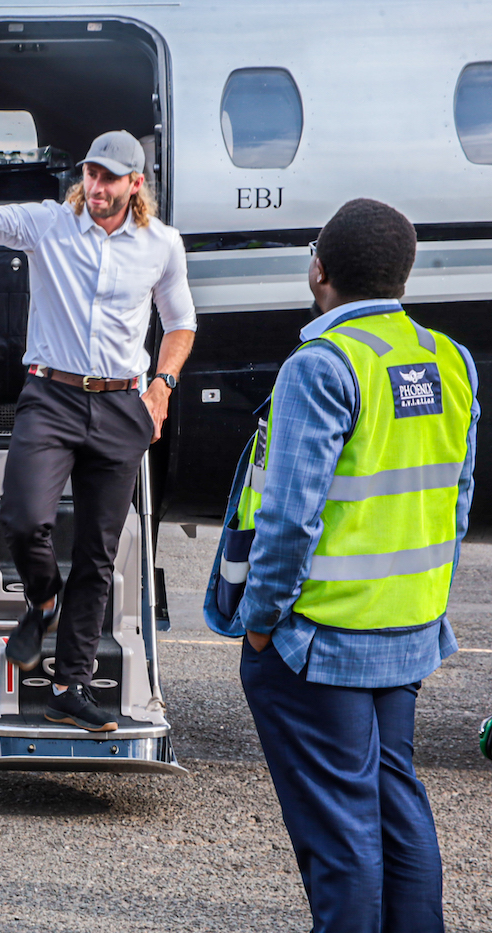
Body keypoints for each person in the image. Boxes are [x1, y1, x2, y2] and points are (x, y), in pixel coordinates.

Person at [204, 198, 477, 933]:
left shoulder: (320, 366)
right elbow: (458, 500)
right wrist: (421, 604)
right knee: (397, 805)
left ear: (318, 269)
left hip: (319, 642)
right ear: (403, 276)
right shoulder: (449, 361)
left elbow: (291, 518)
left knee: (342, 836)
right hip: (407, 629)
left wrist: (260, 624)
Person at [0, 121, 196, 732]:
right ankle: (42, 601)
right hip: (52, 396)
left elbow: (180, 322)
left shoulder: (162, 245)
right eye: (90, 173)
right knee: (23, 518)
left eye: (107, 177)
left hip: (124, 407)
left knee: (100, 554)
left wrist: (163, 384)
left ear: (135, 183)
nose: (94, 185)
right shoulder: (49, 223)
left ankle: (72, 684)